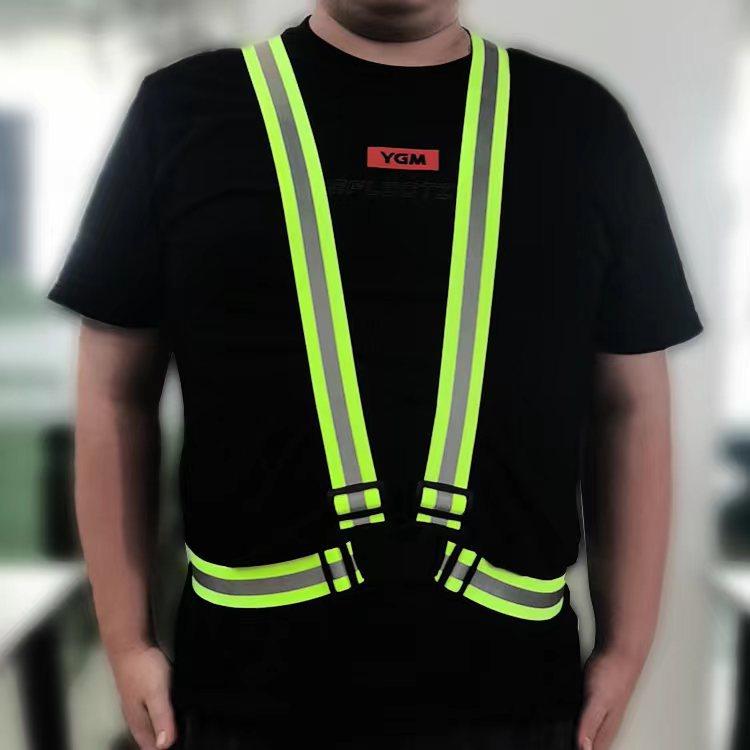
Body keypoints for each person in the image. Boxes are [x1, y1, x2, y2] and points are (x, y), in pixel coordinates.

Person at [48, 1, 703, 748]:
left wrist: (627, 648)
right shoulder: (182, 112)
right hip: (243, 697)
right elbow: (114, 390)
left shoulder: (581, 125)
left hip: (515, 700)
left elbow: (631, 403)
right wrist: (126, 643)